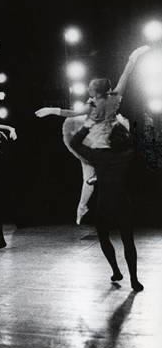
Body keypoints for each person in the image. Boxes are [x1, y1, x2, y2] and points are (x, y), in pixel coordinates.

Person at [70, 121, 144, 292]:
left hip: (105, 202)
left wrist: (87, 126)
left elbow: (74, 143)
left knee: (103, 236)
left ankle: (116, 272)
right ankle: (134, 280)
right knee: (128, 240)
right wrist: (121, 126)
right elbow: (130, 141)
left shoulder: (98, 156)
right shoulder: (127, 153)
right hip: (122, 200)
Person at [35, 45, 150, 149]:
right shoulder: (115, 97)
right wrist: (135, 55)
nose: (87, 89)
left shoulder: (92, 105)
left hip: (100, 137)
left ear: (98, 92)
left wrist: (51, 110)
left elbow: (71, 113)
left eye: (90, 88)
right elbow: (126, 73)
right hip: (113, 133)